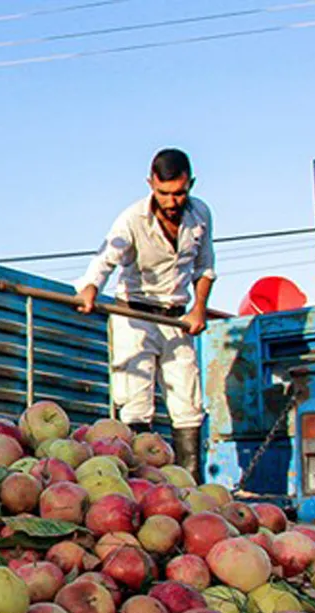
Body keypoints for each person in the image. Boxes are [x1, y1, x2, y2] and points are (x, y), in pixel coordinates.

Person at [75, 148, 216, 484]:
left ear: (191, 185)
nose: (172, 201)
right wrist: (91, 287)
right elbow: (105, 258)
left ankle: (191, 486)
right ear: (151, 184)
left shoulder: (201, 215)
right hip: (133, 315)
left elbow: (205, 267)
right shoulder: (131, 219)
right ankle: (141, 484)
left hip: (177, 316)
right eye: (164, 193)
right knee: (135, 401)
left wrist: (198, 308)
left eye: (180, 193)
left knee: (188, 400)